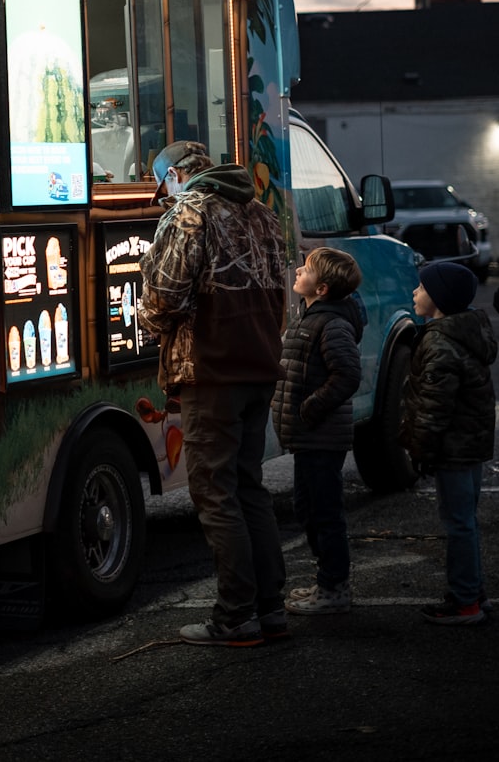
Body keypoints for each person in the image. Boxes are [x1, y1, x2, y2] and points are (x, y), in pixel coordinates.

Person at [139, 139, 288, 647]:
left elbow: (164, 295)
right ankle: (271, 609)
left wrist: (148, 319)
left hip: (210, 372)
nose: (164, 199)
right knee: (249, 487)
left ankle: (234, 616)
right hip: (259, 369)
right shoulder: (262, 213)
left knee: (215, 492)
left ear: (177, 177)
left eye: (163, 188)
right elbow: (280, 293)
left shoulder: (190, 212)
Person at [400, 261, 497, 626]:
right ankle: (476, 594)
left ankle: (465, 602)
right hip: (470, 443)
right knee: (466, 521)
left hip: (453, 447)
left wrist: (421, 451)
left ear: (438, 299)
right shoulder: (464, 333)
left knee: (458, 523)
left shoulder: (440, 343)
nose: (415, 293)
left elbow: (433, 409)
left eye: (421, 288)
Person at [272, 246, 363, 615]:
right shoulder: (312, 316)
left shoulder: (332, 324)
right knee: (307, 506)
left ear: (321, 288)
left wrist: (310, 407)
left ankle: (334, 587)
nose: (297, 270)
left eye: (306, 269)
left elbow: (348, 376)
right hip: (307, 435)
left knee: (324, 511)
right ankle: (327, 580)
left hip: (320, 435)